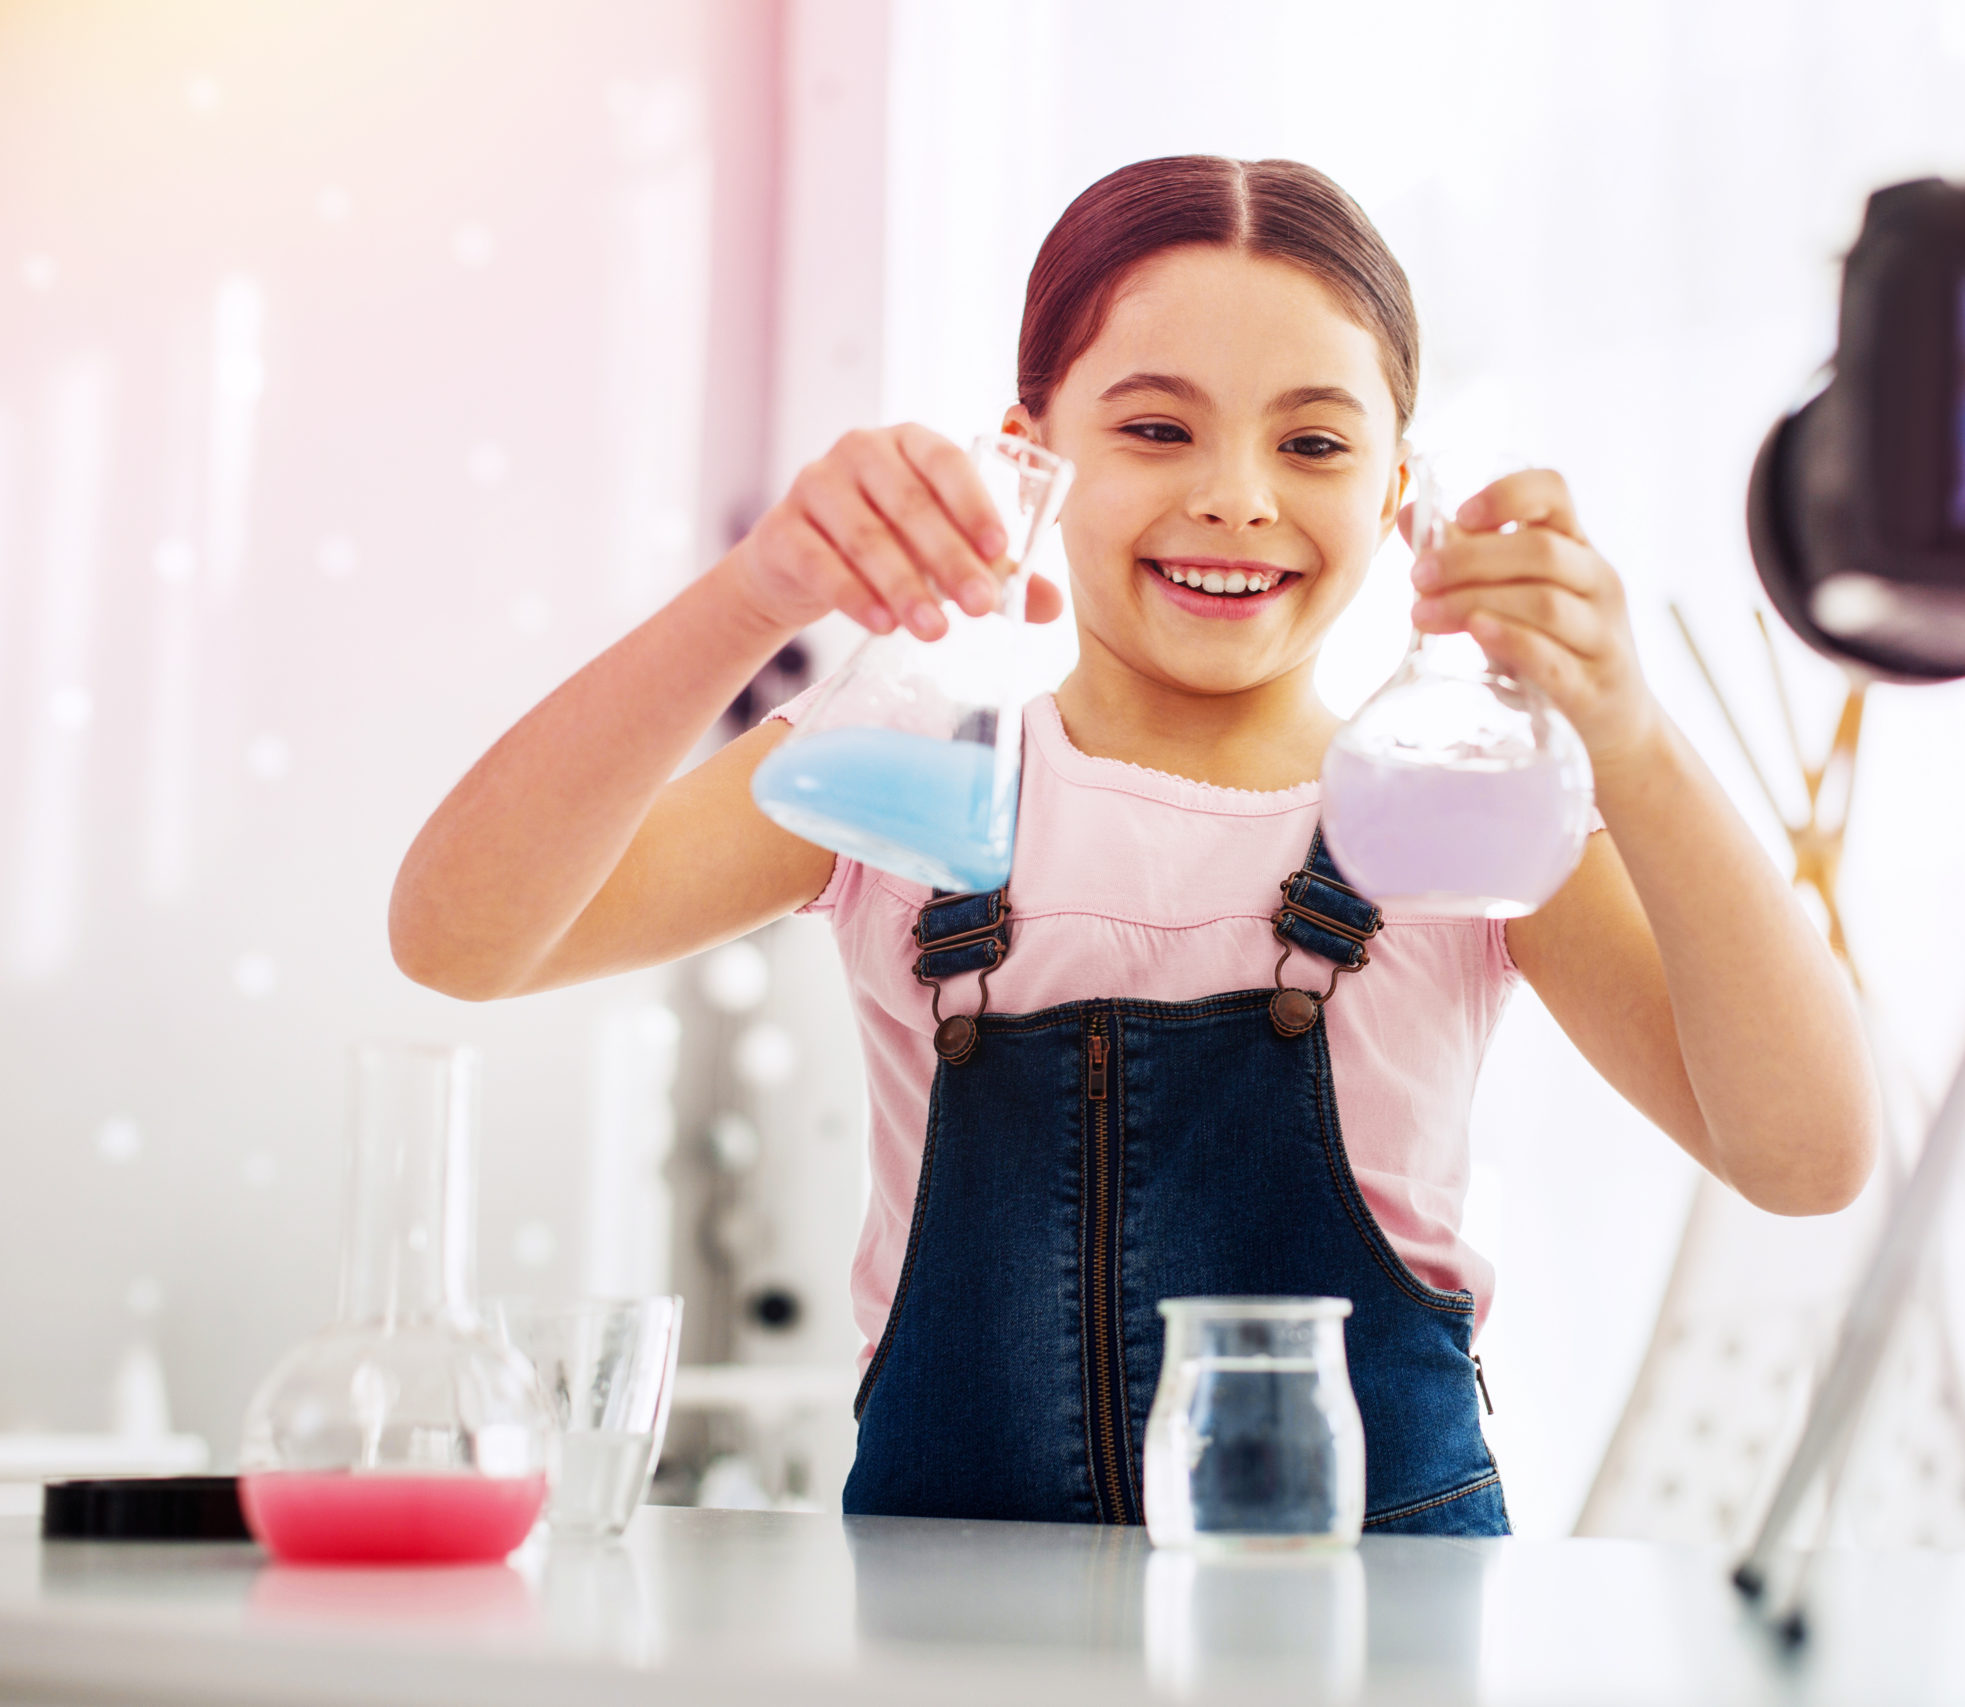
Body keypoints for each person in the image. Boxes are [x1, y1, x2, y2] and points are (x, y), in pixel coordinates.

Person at [390, 156, 1877, 1536]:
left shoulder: (1452, 816)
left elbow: (1810, 1157)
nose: (1236, 494)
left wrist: (1630, 736)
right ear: (1029, 455)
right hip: (948, 1636)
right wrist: (760, 593)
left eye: (1312, 441)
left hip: (1373, 1644)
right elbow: (460, 939)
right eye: (1157, 428)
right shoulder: (909, 772)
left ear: (1398, 494)